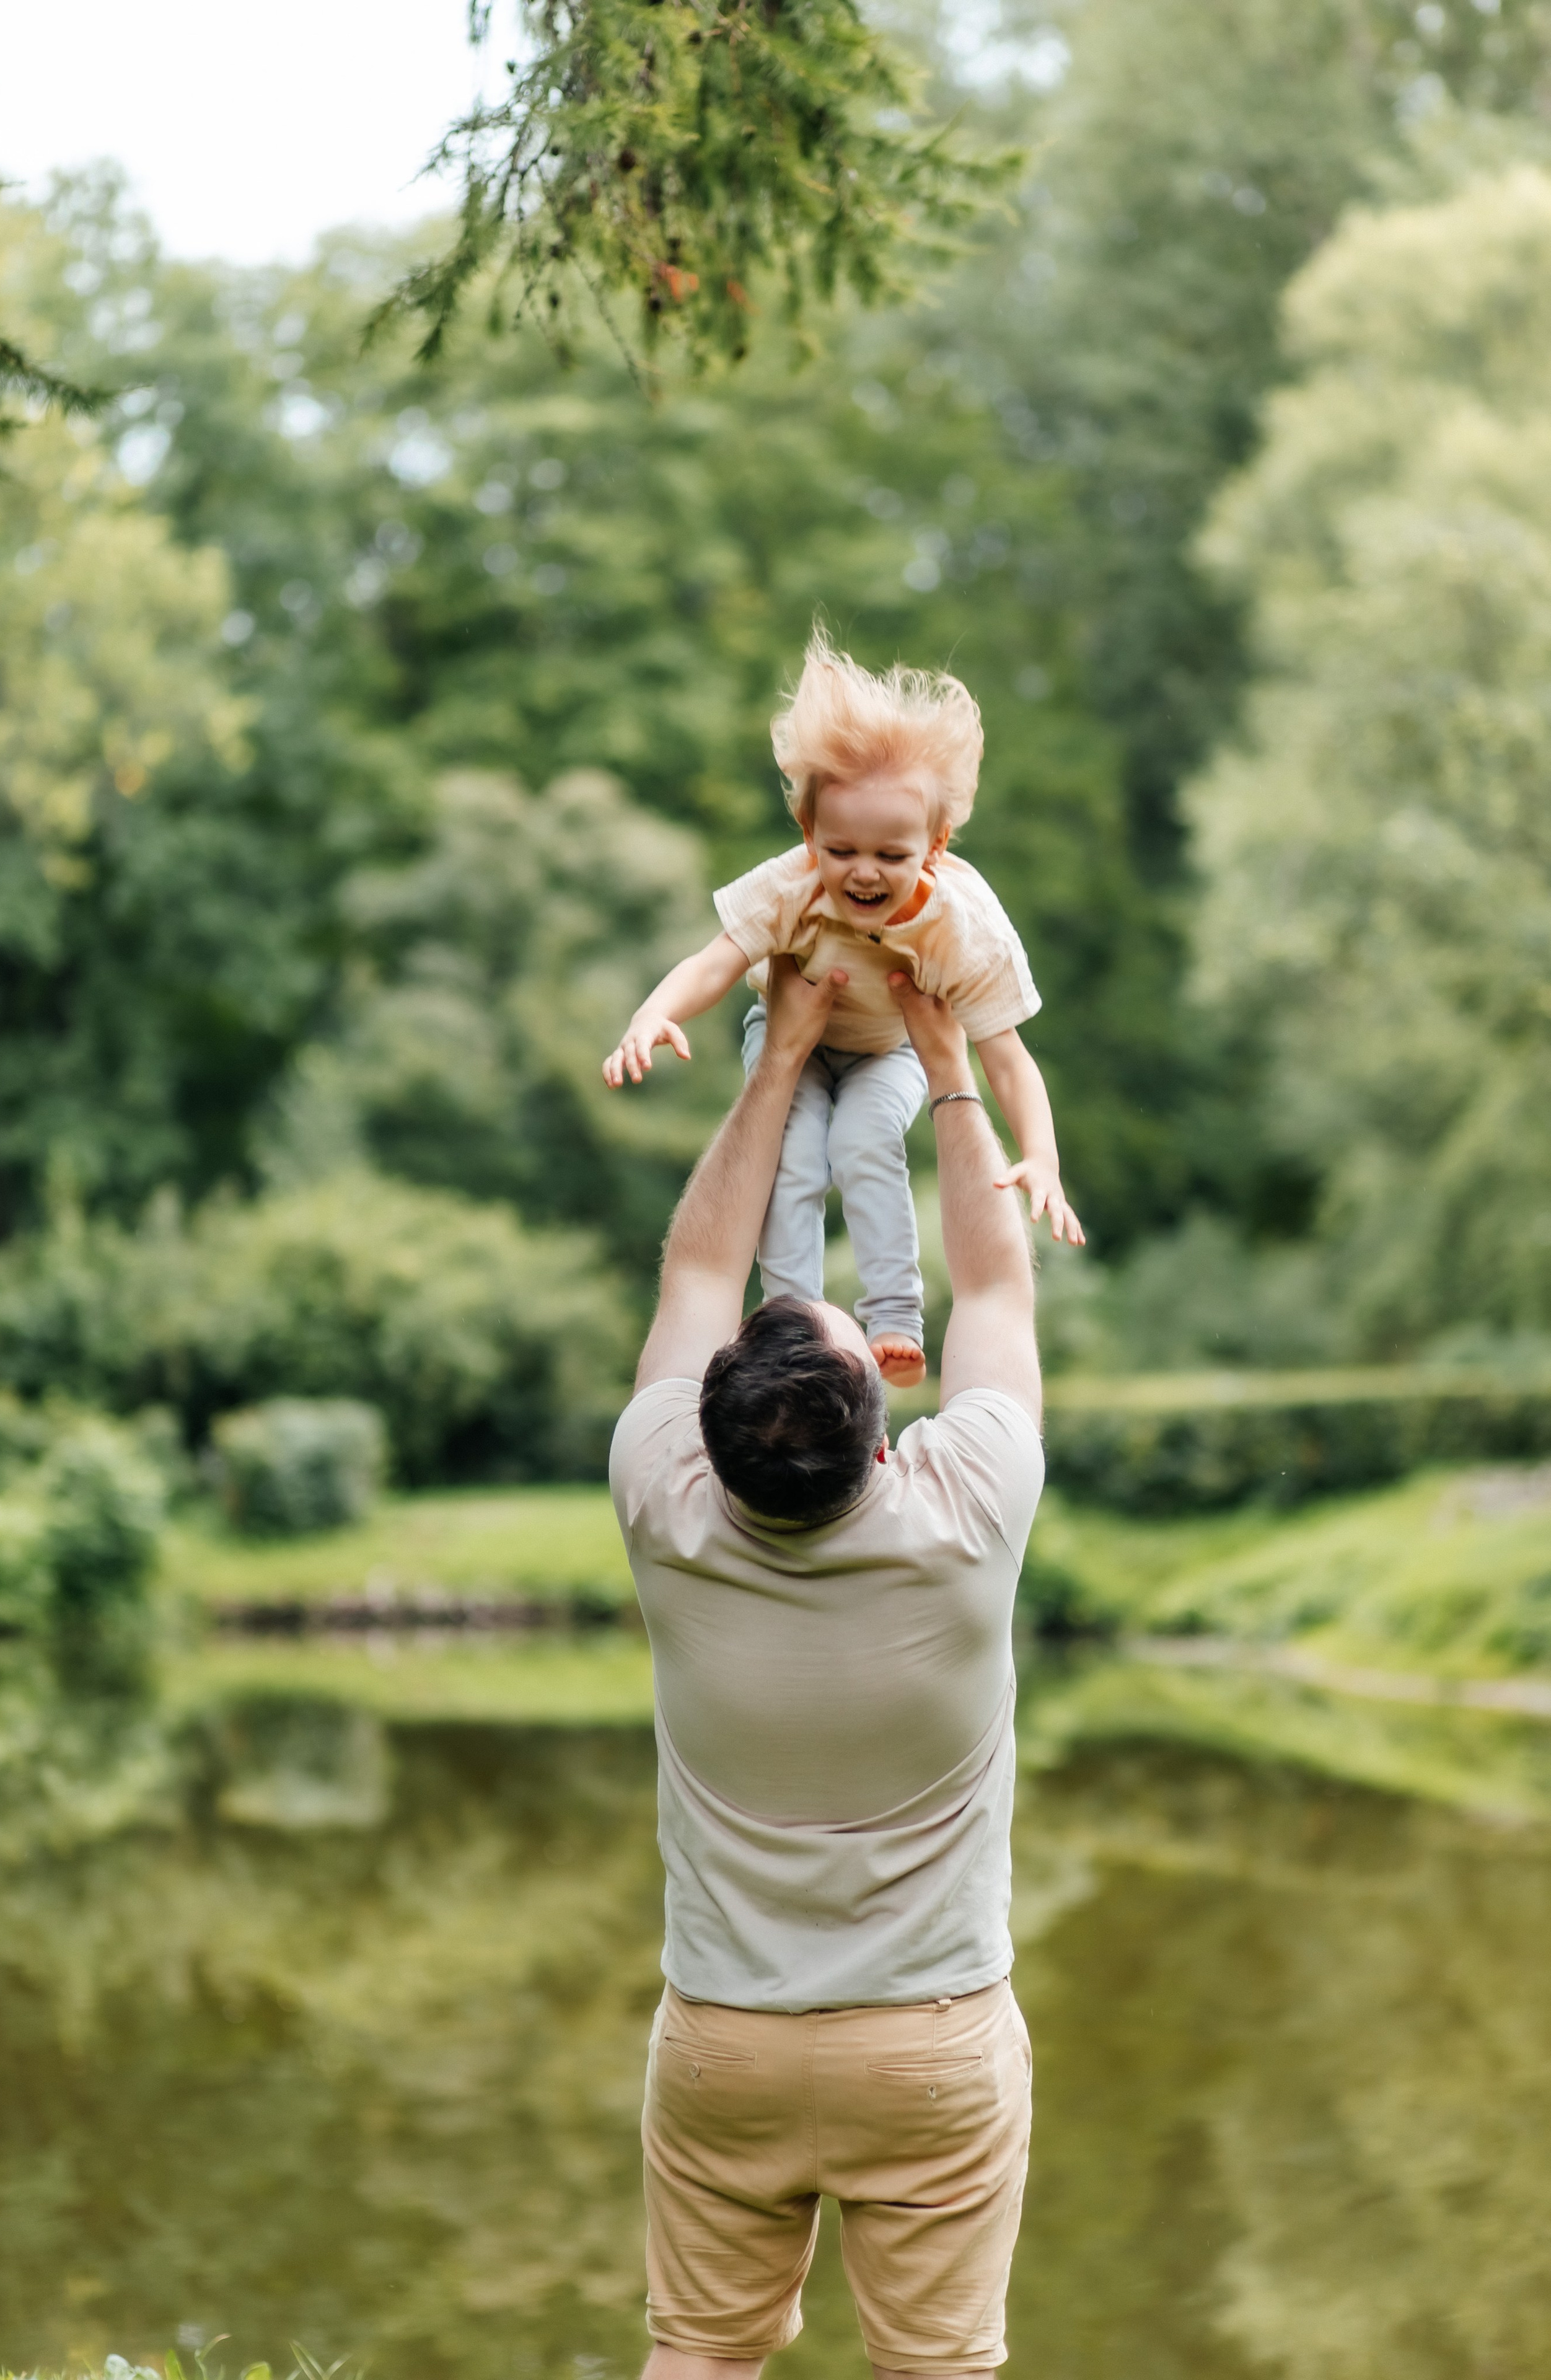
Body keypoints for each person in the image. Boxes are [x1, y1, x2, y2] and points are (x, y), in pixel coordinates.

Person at [609, 950, 1047, 2380]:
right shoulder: (962, 1507)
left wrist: (774, 1056)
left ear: (712, 1422)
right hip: (927, 2044)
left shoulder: (667, 1503)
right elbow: (991, 1282)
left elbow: (695, 1262)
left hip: (726, 2040)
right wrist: (945, 1057)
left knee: (699, 2351)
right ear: (878, 1426)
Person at [603, 630, 1084, 1392]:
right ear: (808, 835)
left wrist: (1042, 1154)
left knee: (863, 1141)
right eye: (841, 850)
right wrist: (654, 1014)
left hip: (886, 1052)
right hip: (788, 1037)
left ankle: (894, 1320)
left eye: (891, 856)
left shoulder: (963, 925)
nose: (863, 872)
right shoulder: (790, 882)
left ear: (934, 844)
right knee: (792, 1156)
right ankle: (789, 1323)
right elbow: (714, 962)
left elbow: (1006, 1055)